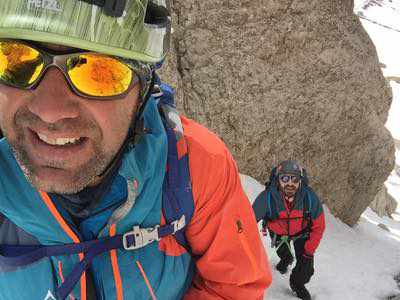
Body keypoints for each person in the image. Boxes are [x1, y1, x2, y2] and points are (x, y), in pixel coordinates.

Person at [0, 1, 272, 299]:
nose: (49, 110)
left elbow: (233, 287)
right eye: (14, 61)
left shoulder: (194, 166)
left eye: (100, 73)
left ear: (141, 91)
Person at [253, 160, 325, 300]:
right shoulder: (267, 198)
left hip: (302, 233)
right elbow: (247, 222)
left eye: (295, 179)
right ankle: (286, 260)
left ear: (300, 180)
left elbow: (319, 226)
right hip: (278, 232)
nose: (290, 183)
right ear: (278, 179)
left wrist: (308, 252)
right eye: (285, 178)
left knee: (306, 269)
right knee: (284, 254)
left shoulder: (309, 197)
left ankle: (297, 284)